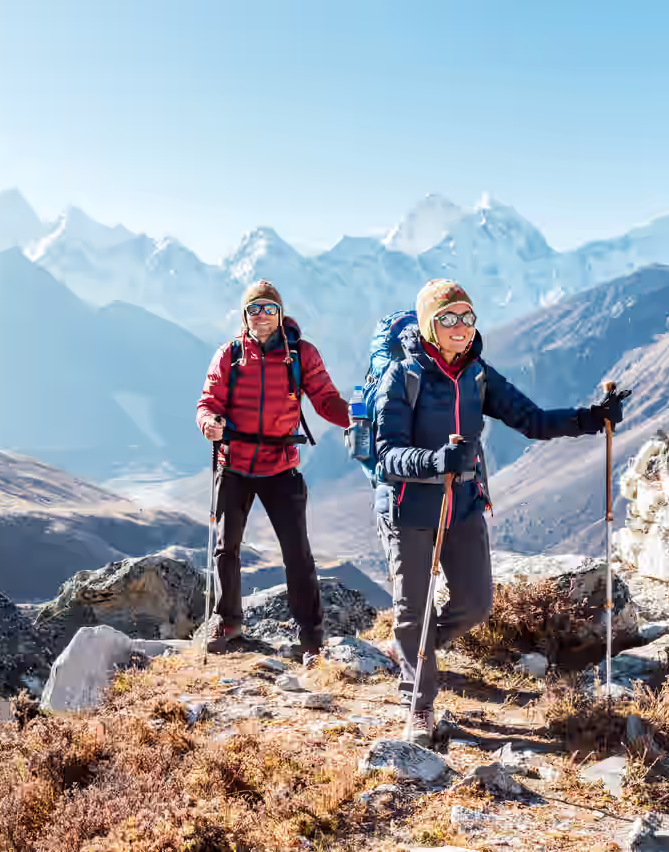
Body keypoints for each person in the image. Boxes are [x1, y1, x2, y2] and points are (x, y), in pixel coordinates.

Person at [373, 279, 629, 746]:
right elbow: (386, 453)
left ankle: (411, 650)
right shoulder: (402, 377)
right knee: (415, 610)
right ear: (430, 325)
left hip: (463, 504)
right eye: (448, 318)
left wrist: (591, 418)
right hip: (410, 508)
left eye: (467, 317)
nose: (460, 327)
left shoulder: (477, 375)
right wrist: (434, 462)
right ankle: (420, 706)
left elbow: (530, 419)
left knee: (476, 604)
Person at [196, 280, 351, 658]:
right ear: (244, 315)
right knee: (225, 548)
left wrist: (358, 419)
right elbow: (208, 401)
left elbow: (326, 399)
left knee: (297, 551)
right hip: (232, 462)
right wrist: (209, 423)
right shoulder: (229, 355)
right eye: (254, 309)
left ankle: (311, 634)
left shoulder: (301, 355)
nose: (261, 315)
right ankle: (228, 621)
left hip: (280, 466)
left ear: (280, 314)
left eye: (269, 308)